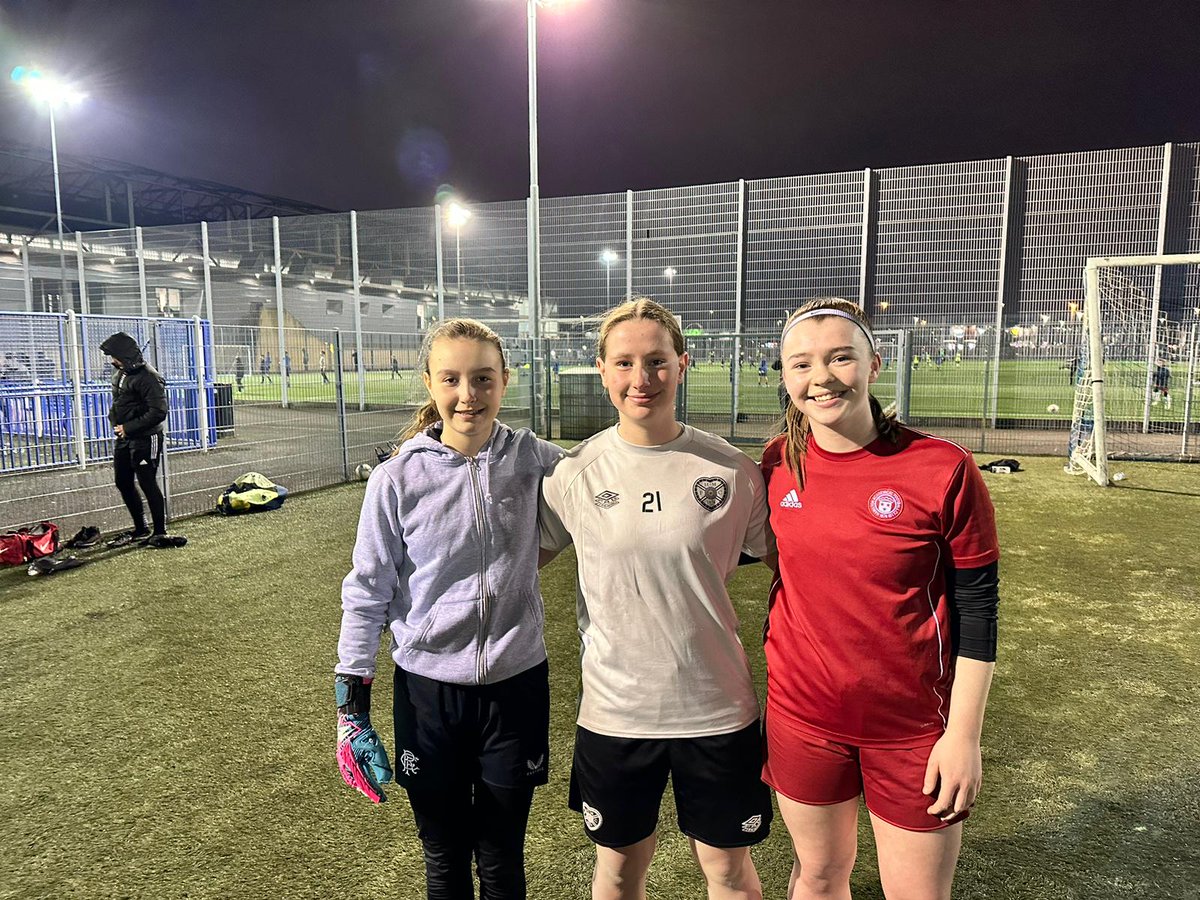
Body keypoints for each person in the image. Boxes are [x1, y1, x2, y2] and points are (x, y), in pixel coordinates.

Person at [761, 297, 1000, 899]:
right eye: (801, 364)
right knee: (817, 876)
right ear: (785, 375)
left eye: (841, 358)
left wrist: (963, 735)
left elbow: (978, 613)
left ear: (874, 363)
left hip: (915, 727)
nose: (821, 378)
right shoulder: (777, 464)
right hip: (803, 717)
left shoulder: (943, 468)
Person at [540, 298, 773, 900]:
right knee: (617, 872)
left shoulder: (731, 471)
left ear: (683, 364)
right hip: (616, 714)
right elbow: (513, 562)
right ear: (602, 370)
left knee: (727, 872)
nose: (640, 379)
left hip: (717, 709)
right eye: (624, 363)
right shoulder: (575, 473)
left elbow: (799, 565)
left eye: (656, 361)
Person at [335, 318, 562, 900]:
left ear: (506, 381)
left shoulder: (533, 458)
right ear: (430, 384)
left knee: (503, 856)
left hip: (515, 686)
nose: (469, 395)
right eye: (452, 379)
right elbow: (367, 590)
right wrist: (350, 709)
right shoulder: (396, 478)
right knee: (443, 858)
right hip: (427, 693)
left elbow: (607, 483)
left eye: (483, 378)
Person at [99, 332, 176, 549]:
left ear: (125, 355)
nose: (112, 360)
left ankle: (160, 532)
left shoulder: (149, 377)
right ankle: (141, 529)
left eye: (114, 356)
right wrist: (118, 424)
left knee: (147, 483)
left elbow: (159, 412)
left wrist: (128, 427)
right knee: (122, 481)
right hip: (125, 438)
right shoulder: (122, 372)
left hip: (146, 438)